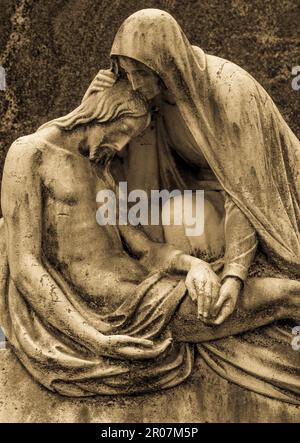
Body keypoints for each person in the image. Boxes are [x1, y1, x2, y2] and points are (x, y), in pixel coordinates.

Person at [0, 79, 299, 400]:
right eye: (123, 131)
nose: (123, 145)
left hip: (147, 290)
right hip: (119, 314)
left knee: (283, 295)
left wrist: (194, 265)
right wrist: (92, 338)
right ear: (103, 113)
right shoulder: (29, 153)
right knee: (289, 295)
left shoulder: (100, 171)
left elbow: (144, 249)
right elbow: (26, 266)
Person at [85, 9, 300, 327]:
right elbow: (107, 156)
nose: (134, 82)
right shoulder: (155, 97)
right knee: (161, 219)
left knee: (184, 218)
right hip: (205, 195)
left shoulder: (229, 91)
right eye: (126, 72)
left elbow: (247, 190)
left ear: (166, 62)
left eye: (140, 72)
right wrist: (95, 103)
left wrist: (235, 276)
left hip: (267, 204)